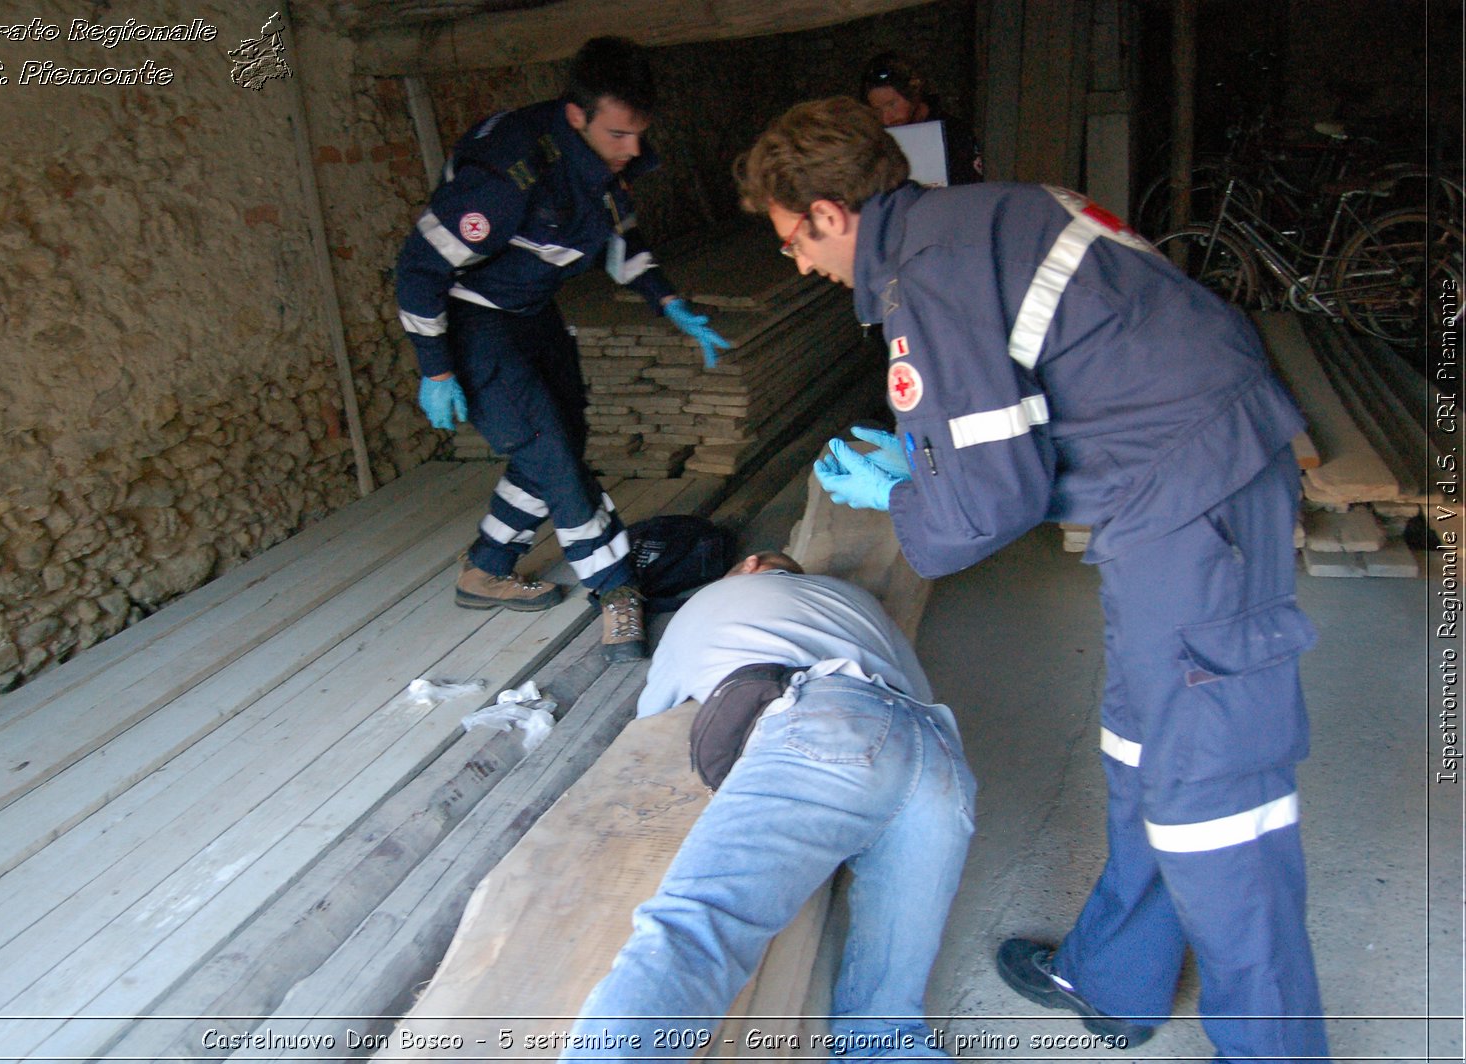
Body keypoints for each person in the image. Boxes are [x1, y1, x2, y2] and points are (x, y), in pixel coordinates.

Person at [735, 97, 1328, 1062]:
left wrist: (908, 495)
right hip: (1169, 479)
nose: (798, 264)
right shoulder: (982, 216)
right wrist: (926, 459)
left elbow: (983, 508)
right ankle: (1117, 978)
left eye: (794, 240)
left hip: (1194, 492)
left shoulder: (923, 277)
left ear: (832, 213)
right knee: (1141, 745)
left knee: (1215, 796)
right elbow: (1049, 395)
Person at [562, 551, 976, 1061]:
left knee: (698, 928)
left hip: (828, 725)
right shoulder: (855, 600)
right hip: (936, 753)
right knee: (887, 1024)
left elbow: (654, 713)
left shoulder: (709, 600)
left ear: (751, 564)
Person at [393, 37, 730, 662]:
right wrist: (435, 367)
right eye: (620, 134)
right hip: (472, 318)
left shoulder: (603, 161)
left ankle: (486, 565)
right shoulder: (505, 176)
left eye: (639, 134)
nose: (634, 149)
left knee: (559, 440)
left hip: (532, 309)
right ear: (577, 116)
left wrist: (667, 300)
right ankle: (616, 588)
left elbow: (617, 235)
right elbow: (417, 270)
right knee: (551, 454)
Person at [858, 52, 982, 185]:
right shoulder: (875, 138)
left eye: (892, 104)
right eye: (877, 110)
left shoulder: (954, 133)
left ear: (913, 92)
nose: (886, 118)